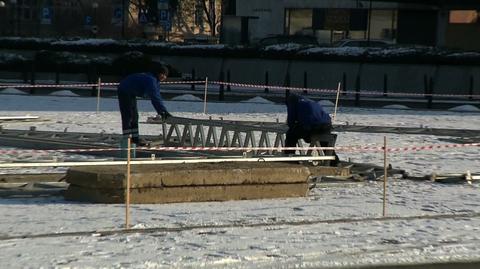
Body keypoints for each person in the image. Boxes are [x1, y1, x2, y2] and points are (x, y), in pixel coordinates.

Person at [117, 65, 172, 146]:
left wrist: (163, 111)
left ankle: (135, 139)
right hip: (124, 90)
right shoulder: (151, 80)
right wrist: (162, 111)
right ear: (158, 73)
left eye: (165, 75)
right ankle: (127, 140)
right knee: (128, 115)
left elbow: (157, 96)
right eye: (162, 74)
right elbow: (155, 98)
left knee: (135, 116)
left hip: (131, 91)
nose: (164, 77)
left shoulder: (155, 80)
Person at [284, 93, 337, 164]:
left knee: (290, 135)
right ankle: (334, 162)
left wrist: (292, 125)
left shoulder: (293, 102)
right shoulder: (310, 101)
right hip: (326, 125)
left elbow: (291, 120)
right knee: (325, 142)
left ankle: (289, 159)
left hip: (311, 126)